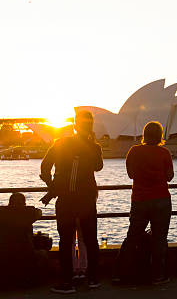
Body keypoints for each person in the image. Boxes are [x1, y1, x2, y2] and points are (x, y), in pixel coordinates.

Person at [40, 110, 103, 294]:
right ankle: (93, 278)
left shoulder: (61, 143)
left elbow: (45, 167)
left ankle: (67, 282)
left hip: (66, 199)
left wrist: (52, 186)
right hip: (87, 199)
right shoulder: (94, 147)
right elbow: (98, 167)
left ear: (75, 126)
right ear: (91, 126)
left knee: (66, 241)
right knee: (91, 239)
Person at [116, 121, 174, 285]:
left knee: (132, 237)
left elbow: (130, 174)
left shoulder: (134, 151)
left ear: (144, 134)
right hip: (161, 199)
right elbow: (170, 176)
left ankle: (122, 273)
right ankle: (158, 275)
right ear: (160, 135)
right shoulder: (164, 152)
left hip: (140, 200)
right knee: (159, 238)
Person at [0, 193, 46, 287]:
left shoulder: (2, 212)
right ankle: (35, 281)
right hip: (26, 253)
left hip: (4, 253)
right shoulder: (29, 212)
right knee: (42, 254)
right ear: (24, 203)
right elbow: (39, 212)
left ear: (9, 203)